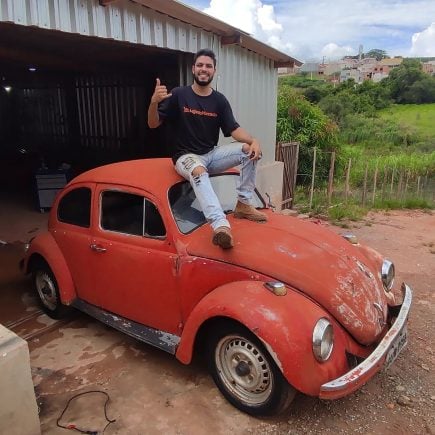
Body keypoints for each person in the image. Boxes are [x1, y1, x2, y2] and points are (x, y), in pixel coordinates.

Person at [147, 48, 267, 249]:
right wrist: (153, 103)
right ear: (193, 69)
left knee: (249, 151)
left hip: (211, 154)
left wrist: (254, 140)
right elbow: (153, 124)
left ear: (214, 71)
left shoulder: (219, 100)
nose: (204, 69)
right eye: (200, 65)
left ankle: (244, 204)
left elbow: (234, 129)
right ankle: (220, 226)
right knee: (199, 170)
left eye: (208, 66)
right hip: (185, 157)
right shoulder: (178, 95)